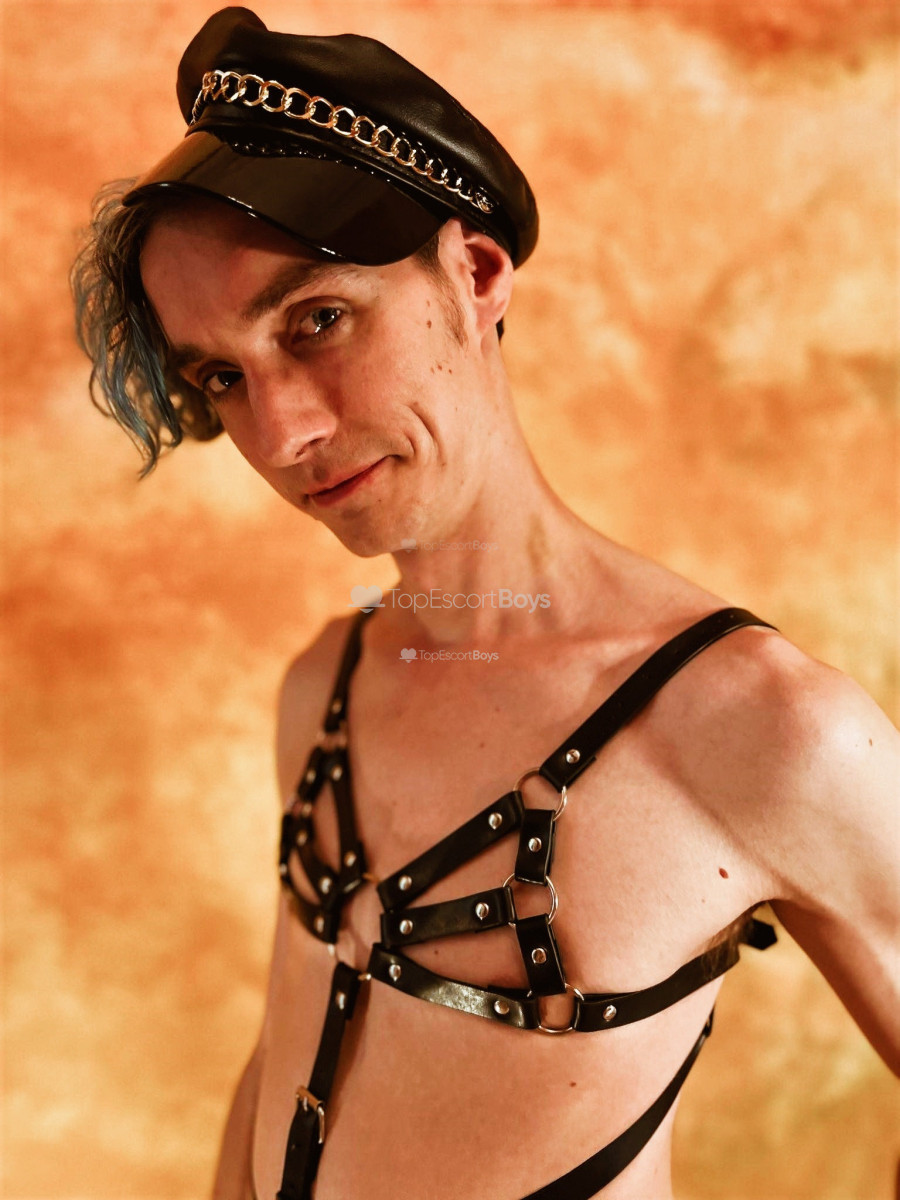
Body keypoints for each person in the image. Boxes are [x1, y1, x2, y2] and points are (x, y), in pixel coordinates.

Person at [71, 8, 899, 1199]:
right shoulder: (321, 689)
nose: (283, 430)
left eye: (318, 320)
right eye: (223, 376)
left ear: (474, 274)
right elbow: (283, 1061)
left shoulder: (764, 731)